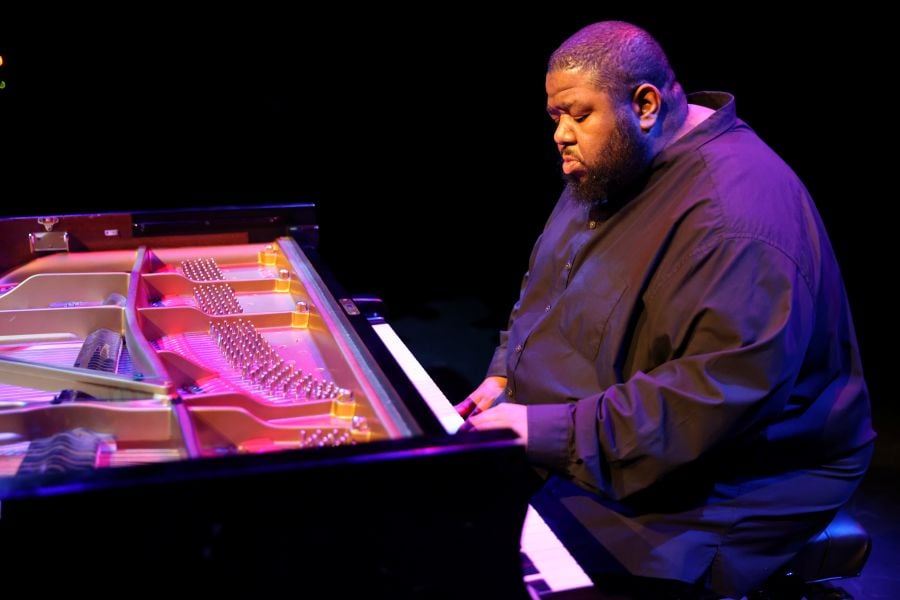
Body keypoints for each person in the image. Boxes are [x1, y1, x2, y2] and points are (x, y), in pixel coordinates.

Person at [456, 20, 875, 599]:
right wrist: (508, 370)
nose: (561, 134)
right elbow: (547, 281)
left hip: (737, 477)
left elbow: (707, 405)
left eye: (577, 114)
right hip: (607, 429)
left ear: (645, 104)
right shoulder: (617, 159)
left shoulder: (737, 222)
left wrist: (544, 430)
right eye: (555, 117)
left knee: (512, 572)